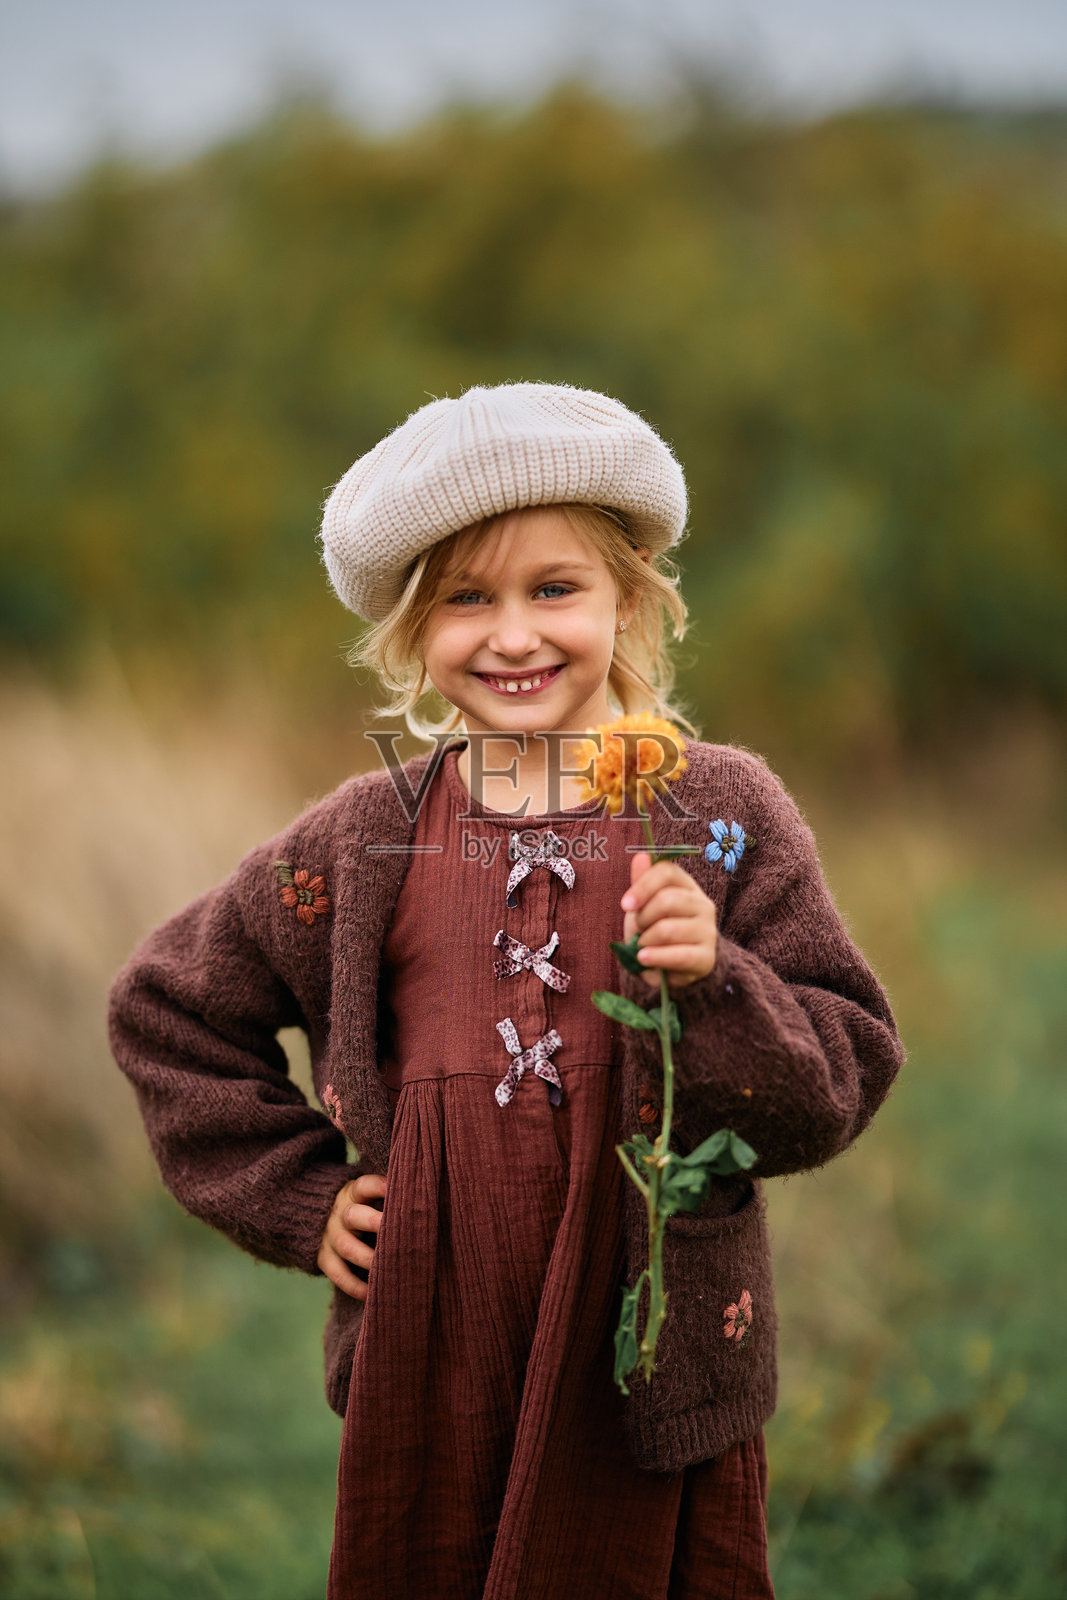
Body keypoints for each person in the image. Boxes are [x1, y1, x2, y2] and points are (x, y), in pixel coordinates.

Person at [108, 381, 905, 1600]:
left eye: (553, 589)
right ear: (410, 633)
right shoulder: (366, 839)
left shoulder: (720, 813)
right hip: (434, 1350)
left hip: (643, 1345)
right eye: (465, 599)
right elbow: (167, 1006)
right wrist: (298, 1196)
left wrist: (717, 982)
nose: (512, 635)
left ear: (629, 599)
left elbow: (839, 1072)